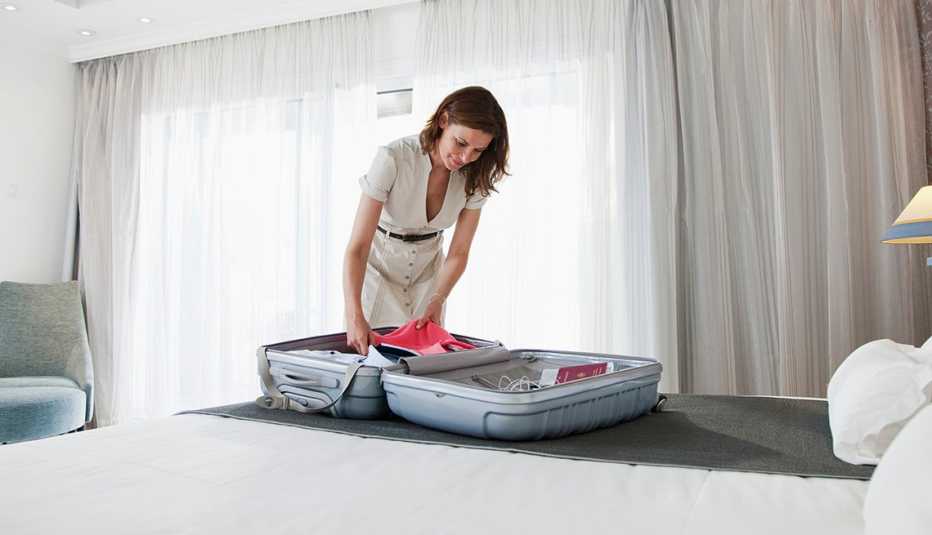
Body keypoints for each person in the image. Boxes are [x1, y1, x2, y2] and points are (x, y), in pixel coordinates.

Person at [342, 86, 509, 355]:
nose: (465, 158)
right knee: (372, 366)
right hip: (377, 272)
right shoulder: (393, 158)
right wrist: (354, 315)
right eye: (461, 143)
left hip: (429, 276)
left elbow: (459, 251)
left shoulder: (475, 176)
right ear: (443, 121)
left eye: (478, 150)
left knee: (424, 367)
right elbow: (358, 247)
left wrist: (438, 298)